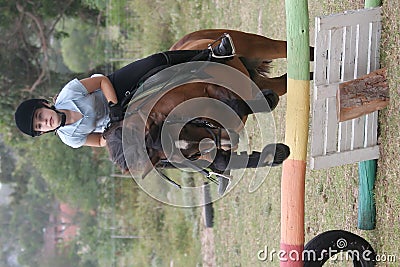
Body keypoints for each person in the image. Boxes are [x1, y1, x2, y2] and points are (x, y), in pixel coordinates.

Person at [14, 35, 235, 148]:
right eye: (40, 126)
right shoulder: (70, 139)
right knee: (150, 147)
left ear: (44, 105)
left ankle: (212, 54)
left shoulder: (68, 94)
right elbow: (100, 141)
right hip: (119, 122)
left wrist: (113, 106)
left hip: (115, 90)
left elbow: (100, 81)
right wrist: (113, 134)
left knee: (154, 61)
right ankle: (209, 157)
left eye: (40, 116)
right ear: (42, 133)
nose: (45, 122)